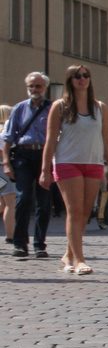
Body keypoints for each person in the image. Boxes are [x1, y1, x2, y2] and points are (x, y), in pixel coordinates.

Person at [36, 65, 108, 275]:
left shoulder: (100, 108)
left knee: (84, 213)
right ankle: (79, 260)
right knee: (74, 211)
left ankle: (68, 255)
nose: (82, 79)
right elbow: (50, 140)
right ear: (70, 81)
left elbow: (106, 140)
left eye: (86, 75)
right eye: (77, 76)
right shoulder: (60, 106)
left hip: (94, 163)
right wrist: (45, 170)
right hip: (67, 162)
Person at [2, 72, 54, 258]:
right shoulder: (19, 108)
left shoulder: (52, 108)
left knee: (43, 202)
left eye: (38, 86)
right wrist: (7, 162)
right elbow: (8, 138)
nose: (34, 90)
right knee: (22, 199)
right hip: (23, 155)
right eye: (31, 86)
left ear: (45, 88)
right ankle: (20, 243)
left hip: (44, 155)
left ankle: (40, 244)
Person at [0, 104, 13, 244]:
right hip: (3, 169)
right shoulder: (3, 131)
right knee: (10, 202)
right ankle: (10, 235)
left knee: (4, 203)